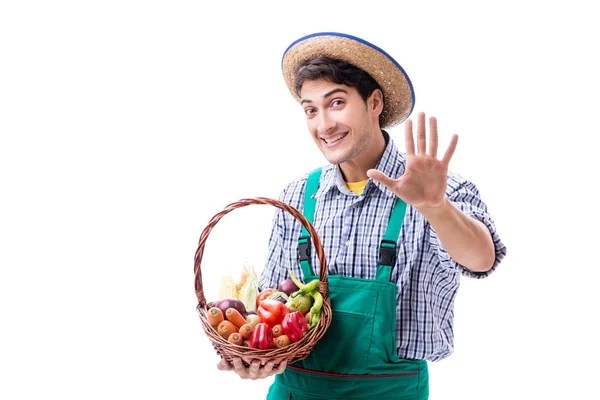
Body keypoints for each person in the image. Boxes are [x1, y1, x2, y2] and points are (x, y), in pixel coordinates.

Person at [217, 32, 507, 400]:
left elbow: (482, 259)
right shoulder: (296, 197)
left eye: (336, 102)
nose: (324, 125)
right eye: (311, 110)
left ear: (374, 103)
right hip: (297, 391)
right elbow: (270, 304)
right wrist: (258, 357)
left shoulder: (436, 190)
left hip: (391, 392)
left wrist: (436, 208)